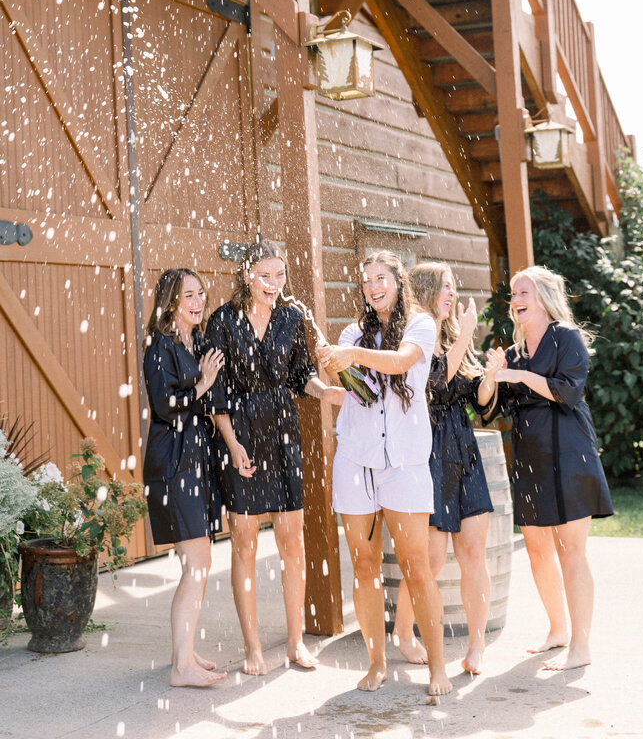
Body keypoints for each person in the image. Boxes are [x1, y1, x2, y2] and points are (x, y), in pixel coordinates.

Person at [316, 251, 452, 700]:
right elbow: (349, 386)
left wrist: (349, 353)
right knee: (363, 564)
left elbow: (400, 362)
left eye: (382, 277)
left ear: (399, 280)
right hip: (356, 457)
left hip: (404, 462)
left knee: (415, 565)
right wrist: (328, 363)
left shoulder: (421, 324)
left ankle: (437, 669)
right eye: (367, 279)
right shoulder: (353, 330)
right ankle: (376, 663)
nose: (374, 286)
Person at [205, 239, 344, 674]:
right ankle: (253, 649)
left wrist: (328, 392)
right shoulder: (222, 321)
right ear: (247, 275)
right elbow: (216, 392)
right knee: (245, 542)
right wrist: (232, 443)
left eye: (280, 275)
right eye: (266, 276)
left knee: (293, 542)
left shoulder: (290, 318)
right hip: (240, 432)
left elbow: (302, 376)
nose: (274, 284)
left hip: (284, 432)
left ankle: (296, 643)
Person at [478, 265, 613, 671]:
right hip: (531, 459)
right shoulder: (514, 354)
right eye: (514, 295)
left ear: (545, 298)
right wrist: (491, 376)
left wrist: (516, 374)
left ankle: (581, 646)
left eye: (524, 293)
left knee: (571, 550)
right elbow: (488, 408)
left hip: (570, 454)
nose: (516, 300)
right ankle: (558, 631)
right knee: (538, 551)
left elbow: (568, 391)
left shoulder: (567, 338)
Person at [392, 262, 493, 675]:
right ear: (427, 290)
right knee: (429, 560)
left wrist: (493, 376)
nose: (452, 295)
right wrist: (467, 333)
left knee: (473, 552)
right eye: (446, 288)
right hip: (428, 452)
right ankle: (402, 631)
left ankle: (477, 645)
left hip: (463, 449)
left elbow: (480, 402)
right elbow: (432, 384)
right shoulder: (413, 338)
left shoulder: (454, 338)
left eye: (454, 288)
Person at [142, 267, 227, 688]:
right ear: (171, 302)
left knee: (196, 563)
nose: (198, 302)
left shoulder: (196, 343)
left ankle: (185, 652)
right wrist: (203, 385)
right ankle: (180, 669)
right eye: (188, 295)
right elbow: (165, 405)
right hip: (174, 466)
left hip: (195, 462)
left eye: (200, 294)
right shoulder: (160, 347)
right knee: (197, 563)